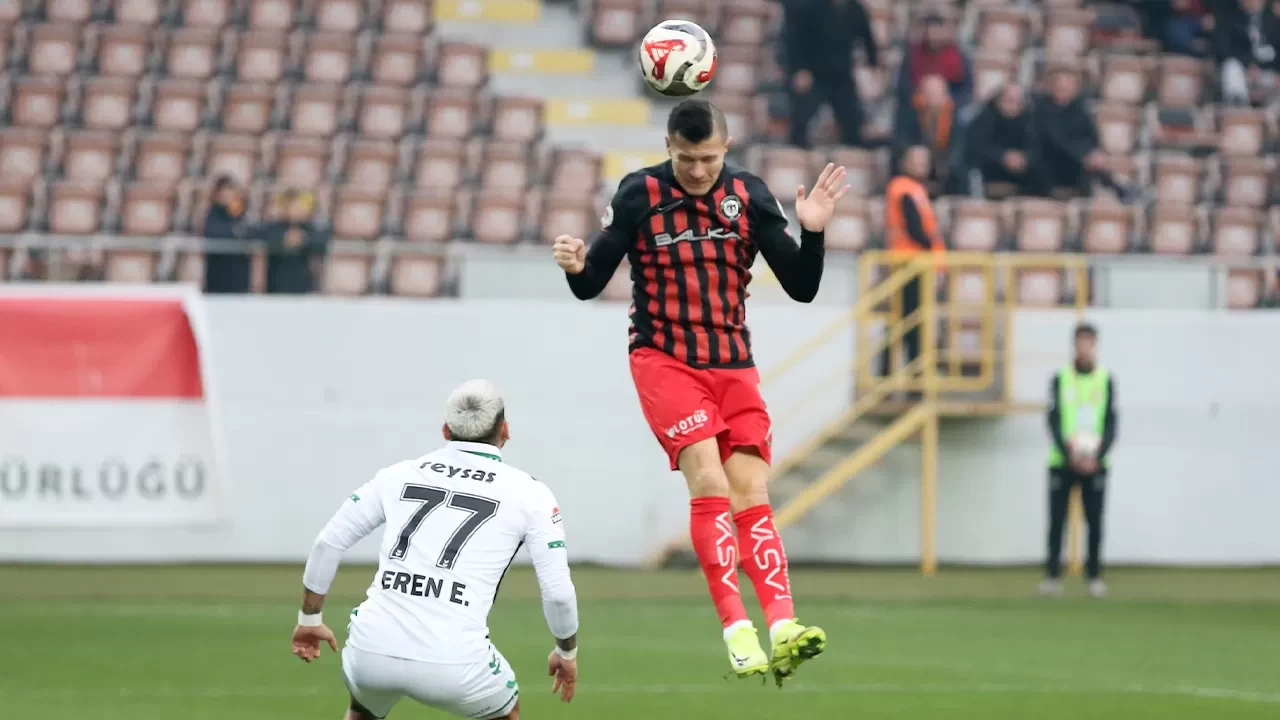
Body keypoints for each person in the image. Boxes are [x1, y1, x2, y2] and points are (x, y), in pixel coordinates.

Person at [550, 98, 848, 685]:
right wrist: (576, 266)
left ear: (726, 149)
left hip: (733, 363)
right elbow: (591, 283)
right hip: (664, 359)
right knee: (710, 481)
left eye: (708, 159)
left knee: (752, 490)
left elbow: (803, 286)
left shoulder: (749, 195)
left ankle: (783, 626)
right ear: (669, 147)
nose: (697, 170)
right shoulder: (638, 194)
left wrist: (813, 232)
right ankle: (737, 630)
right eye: (687, 158)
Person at [289, 379, 579, 720]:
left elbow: (328, 543)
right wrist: (566, 651)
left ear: (445, 430)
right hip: (455, 660)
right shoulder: (531, 493)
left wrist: (309, 619)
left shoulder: (397, 474)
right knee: (507, 711)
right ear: (505, 430)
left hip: (371, 648)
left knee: (362, 709)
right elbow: (558, 593)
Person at [1040, 323, 1118, 600]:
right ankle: (1052, 576)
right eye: (1080, 342)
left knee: (1095, 521)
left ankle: (1094, 576)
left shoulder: (1105, 379)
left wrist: (1097, 455)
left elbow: (1111, 421)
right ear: (1074, 345)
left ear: (1095, 345)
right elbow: (1053, 419)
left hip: (1095, 463)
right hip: (1062, 462)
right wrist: (1069, 454)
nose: (1084, 348)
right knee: (1056, 521)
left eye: (1089, 343)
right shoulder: (1060, 378)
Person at [879, 145, 945, 380]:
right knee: (909, 321)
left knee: (905, 320)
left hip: (913, 263)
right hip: (909, 263)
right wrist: (931, 247)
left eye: (924, 161)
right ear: (905, 163)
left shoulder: (915, 189)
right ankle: (912, 375)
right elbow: (915, 229)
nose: (920, 166)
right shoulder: (904, 188)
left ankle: (897, 373)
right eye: (915, 161)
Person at [780, 0, 879, 148]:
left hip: (842, 74)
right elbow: (795, 38)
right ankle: (798, 153)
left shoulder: (855, 9)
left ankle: (848, 157)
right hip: (813, 73)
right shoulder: (810, 7)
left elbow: (868, 39)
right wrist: (799, 69)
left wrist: (874, 67)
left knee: (852, 123)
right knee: (801, 122)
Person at [965, 83, 1038, 199]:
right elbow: (977, 147)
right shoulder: (985, 118)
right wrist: (1002, 157)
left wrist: (1024, 158)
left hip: (1022, 170)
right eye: (1009, 100)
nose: (1013, 106)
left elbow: (1036, 146)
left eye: (1018, 102)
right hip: (991, 168)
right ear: (999, 100)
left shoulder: (1029, 119)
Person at [202, 176, 251, 293]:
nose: (228, 195)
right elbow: (212, 232)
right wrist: (235, 231)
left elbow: (251, 232)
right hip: (217, 273)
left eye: (231, 190)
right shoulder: (213, 212)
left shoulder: (242, 213)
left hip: (239, 274)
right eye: (225, 191)